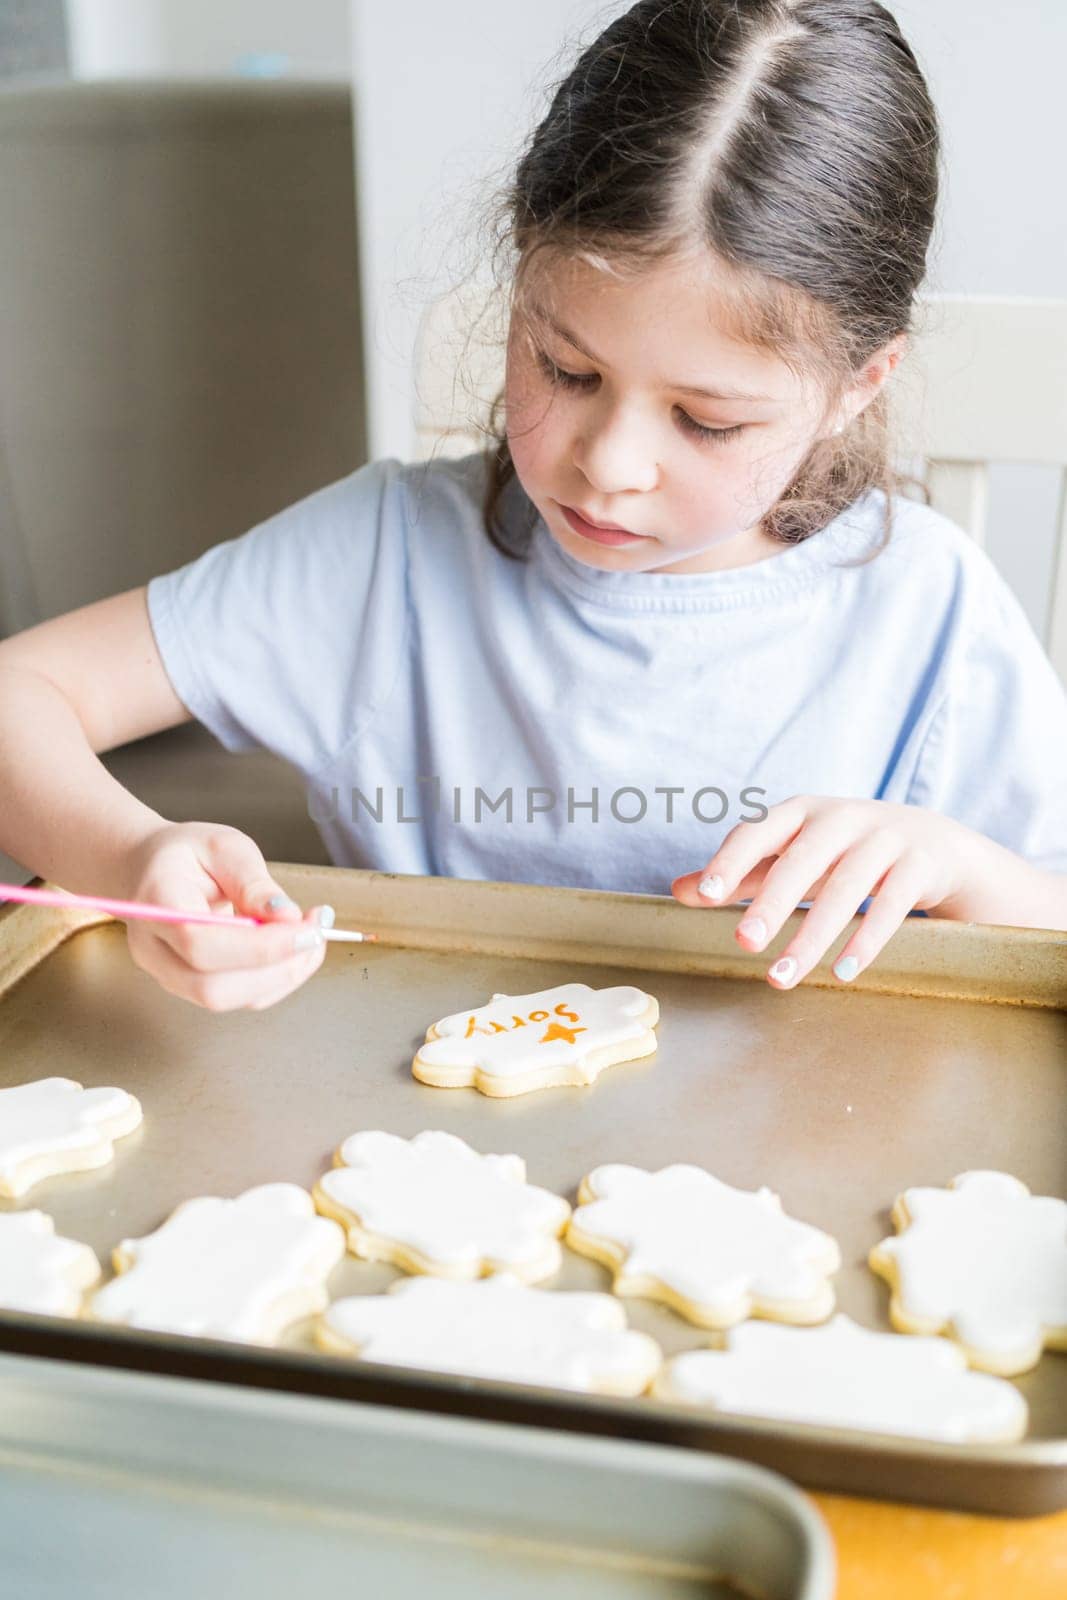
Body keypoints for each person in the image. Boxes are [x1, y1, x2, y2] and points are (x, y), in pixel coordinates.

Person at [1, 0, 1064, 1013]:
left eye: (704, 420)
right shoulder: (385, 560)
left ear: (856, 386)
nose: (607, 464)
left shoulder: (927, 614)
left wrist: (966, 871)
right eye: (563, 368)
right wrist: (131, 856)